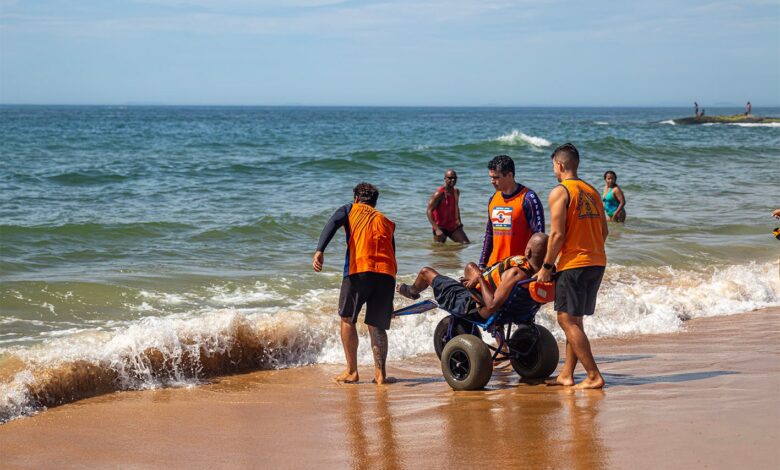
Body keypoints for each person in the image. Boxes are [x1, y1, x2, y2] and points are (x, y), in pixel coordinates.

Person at [536, 143, 608, 390]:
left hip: (574, 264)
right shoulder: (592, 190)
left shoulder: (561, 191)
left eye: (553, 165)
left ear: (561, 165)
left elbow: (556, 235)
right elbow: (604, 231)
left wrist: (546, 266)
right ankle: (566, 374)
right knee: (575, 320)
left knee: (566, 320)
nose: (553, 169)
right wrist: (591, 250)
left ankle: (593, 376)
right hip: (597, 262)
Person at [312, 183, 397, 385]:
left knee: (347, 318)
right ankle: (380, 375)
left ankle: (352, 371)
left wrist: (319, 250)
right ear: (375, 202)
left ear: (356, 198)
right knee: (376, 325)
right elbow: (392, 251)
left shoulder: (350, 209)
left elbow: (332, 223)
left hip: (359, 270)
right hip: (387, 275)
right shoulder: (385, 221)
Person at [397, 233, 549, 321]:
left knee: (425, 272)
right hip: (515, 312)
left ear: (527, 252)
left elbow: (491, 306)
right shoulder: (544, 275)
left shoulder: (516, 273)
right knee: (471, 267)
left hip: (472, 305)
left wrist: (479, 279)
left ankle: (411, 291)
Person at [479, 155, 545, 271]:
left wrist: (538, 269)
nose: (492, 181)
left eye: (496, 178)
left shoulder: (529, 198)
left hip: (518, 267)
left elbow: (539, 238)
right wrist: (482, 265)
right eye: (491, 177)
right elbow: (490, 234)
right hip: (494, 266)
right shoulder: (493, 199)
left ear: (509, 175)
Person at [427, 169, 469, 244]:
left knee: (465, 244)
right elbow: (429, 211)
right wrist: (437, 229)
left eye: (454, 178)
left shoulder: (456, 192)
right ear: (445, 179)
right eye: (450, 178)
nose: (452, 180)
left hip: (452, 226)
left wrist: (459, 222)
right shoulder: (439, 194)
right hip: (440, 227)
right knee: (440, 250)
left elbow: (456, 207)